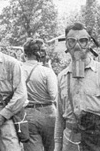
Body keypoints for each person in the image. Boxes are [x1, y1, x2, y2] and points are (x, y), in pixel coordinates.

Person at [54, 23, 100, 151]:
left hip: (95, 141)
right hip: (70, 141)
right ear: (66, 45)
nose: (77, 46)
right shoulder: (63, 76)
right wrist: (57, 146)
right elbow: (59, 116)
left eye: (83, 41)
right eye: (72, 41)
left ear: (90, 43)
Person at [22, 38, 57, 151]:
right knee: (52, 147)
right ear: (39, 53)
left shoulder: (17, 70)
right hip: (48, 113)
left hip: (27, 113)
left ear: (25, 53)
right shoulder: (46, 71)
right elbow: (54, 95)